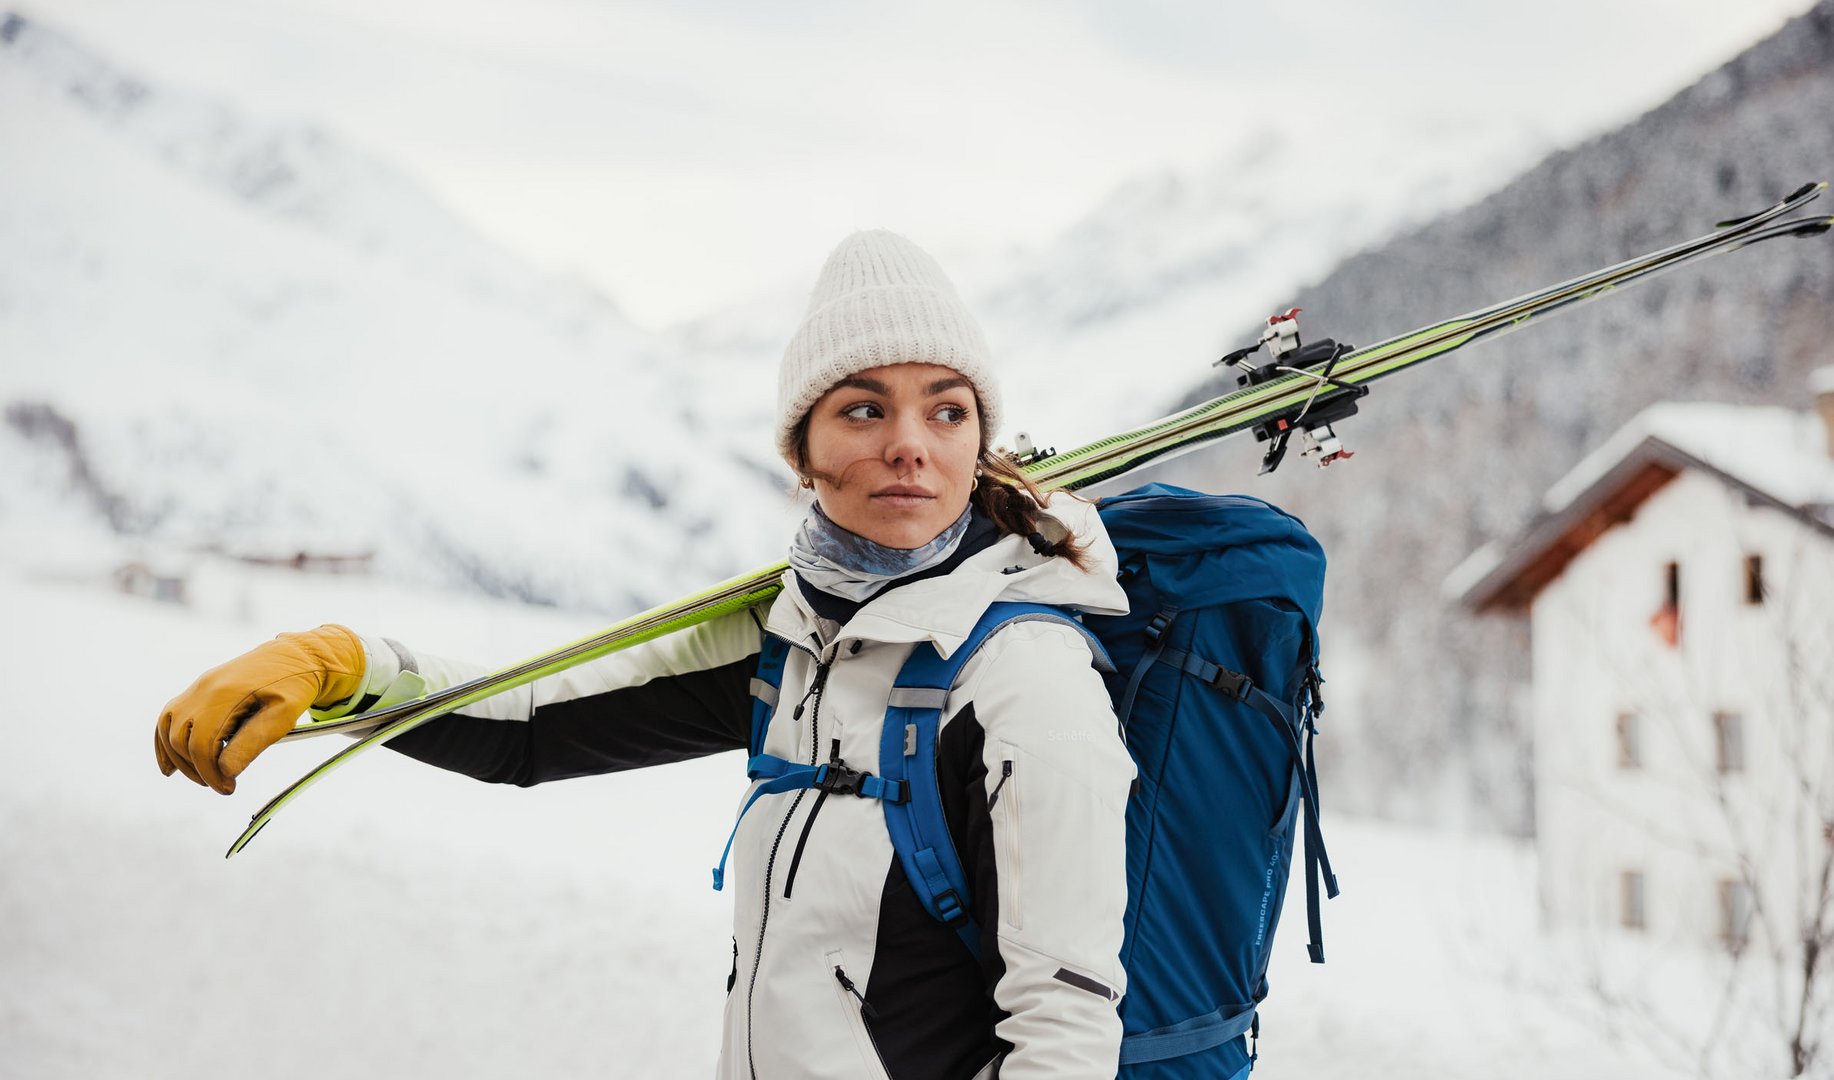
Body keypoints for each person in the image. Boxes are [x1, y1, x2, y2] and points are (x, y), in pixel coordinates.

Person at [154, 230, 1137, 1079]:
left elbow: (1066, 1024)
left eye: (948, 410)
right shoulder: (790, 639)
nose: (911, 444)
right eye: (865, 408)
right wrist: (342, 665)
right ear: (802, 451)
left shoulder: (1021, 675)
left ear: (979, 441)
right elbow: (529, 728)